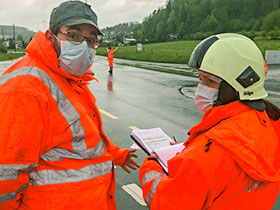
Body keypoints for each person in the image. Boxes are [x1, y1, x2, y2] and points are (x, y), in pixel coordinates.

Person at [0, 1, 139, 209]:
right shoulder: (27, 88)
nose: (84, 46)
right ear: (51, 36)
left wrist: (115, 153)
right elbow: (5, 179)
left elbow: (79, 135)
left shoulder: (68, 78)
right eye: (74, 36)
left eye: (91, 40)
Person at [139, 33, 280, 209]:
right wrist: (192, 150)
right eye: (201, 79)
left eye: (210, 81)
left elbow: (164, 202)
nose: (201, 88)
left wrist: (152, 163)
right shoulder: (271, 125)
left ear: (239, 86)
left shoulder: (209, 153)